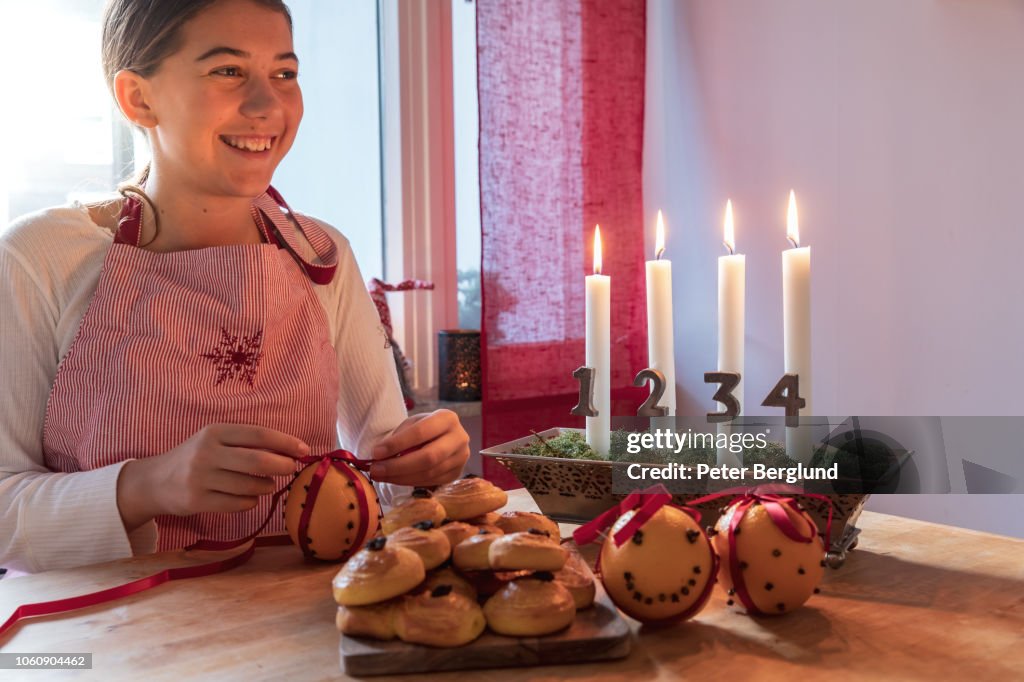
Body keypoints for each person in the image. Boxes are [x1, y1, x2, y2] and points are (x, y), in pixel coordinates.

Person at [0, 0, 469, 574]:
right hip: (111, 640)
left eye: (285, 74)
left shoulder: (322, 255)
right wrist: (146, 485)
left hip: (299, 629)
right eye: (227, 71)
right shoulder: (38, 257)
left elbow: (386, 468)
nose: (268, 104)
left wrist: (423, 457)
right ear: (138, 98)